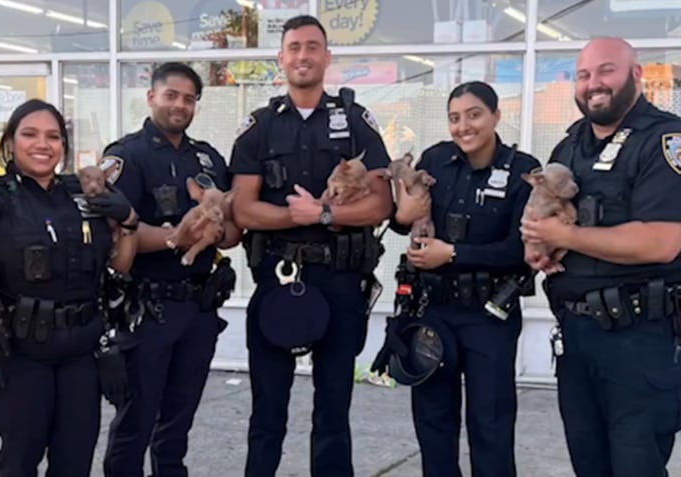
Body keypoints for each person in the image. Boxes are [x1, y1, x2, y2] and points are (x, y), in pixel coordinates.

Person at [229, 15, 393, 476]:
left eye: (313, 47)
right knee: (267, 411)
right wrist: (290, 216)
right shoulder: (260, 126)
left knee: (334, 410)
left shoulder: (355, 121)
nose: (303, 55)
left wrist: (323, 214)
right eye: (294, 47)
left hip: (341, 280)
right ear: (280, 58)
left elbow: (381, 203)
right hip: (279, 277)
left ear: (326, 57)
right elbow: (242, 209)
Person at [0, 99, 138, 476]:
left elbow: (119, 265)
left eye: (53, 136)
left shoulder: (82, 195)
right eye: (30, 134)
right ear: (11, 142)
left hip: (81, 352)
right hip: (22, 353)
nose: (43, 144)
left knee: (75, 458)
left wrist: (129, 221)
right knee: (21, 457)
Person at [521, 37, 681, 477]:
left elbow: (661, 242)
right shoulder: (570, 146)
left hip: (638, 341)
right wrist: (540, 243)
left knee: (635, 467)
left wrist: (565, 235)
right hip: (577, 336)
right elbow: (548, 215)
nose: (594, 84)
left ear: (636, 74)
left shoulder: (665, 140)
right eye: (584, 75)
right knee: (589, 466)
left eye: (606, 71)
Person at [378, 81, 540, 477]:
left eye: (474, 115)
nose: (463, 126)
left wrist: (451, 254)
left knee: (492, 424)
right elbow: (402, 222)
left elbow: (521, 251)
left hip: (490, 316)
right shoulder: (435, 161)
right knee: (434, 424)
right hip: (434, 310)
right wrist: (403, 220)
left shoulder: (522, 171)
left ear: (496, 116)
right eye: (454, 118)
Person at [102, 62, 241, 477]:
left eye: (189, 98)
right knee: (136, 422)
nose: (180, 105)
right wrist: (173, 239)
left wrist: (215, 233)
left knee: (177, 425)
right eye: (171, 95)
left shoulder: (209, 158)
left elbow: (234, 230)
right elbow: (114, 235)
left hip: (198, 310)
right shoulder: (127, 156)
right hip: (148, 310)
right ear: (151, 97)